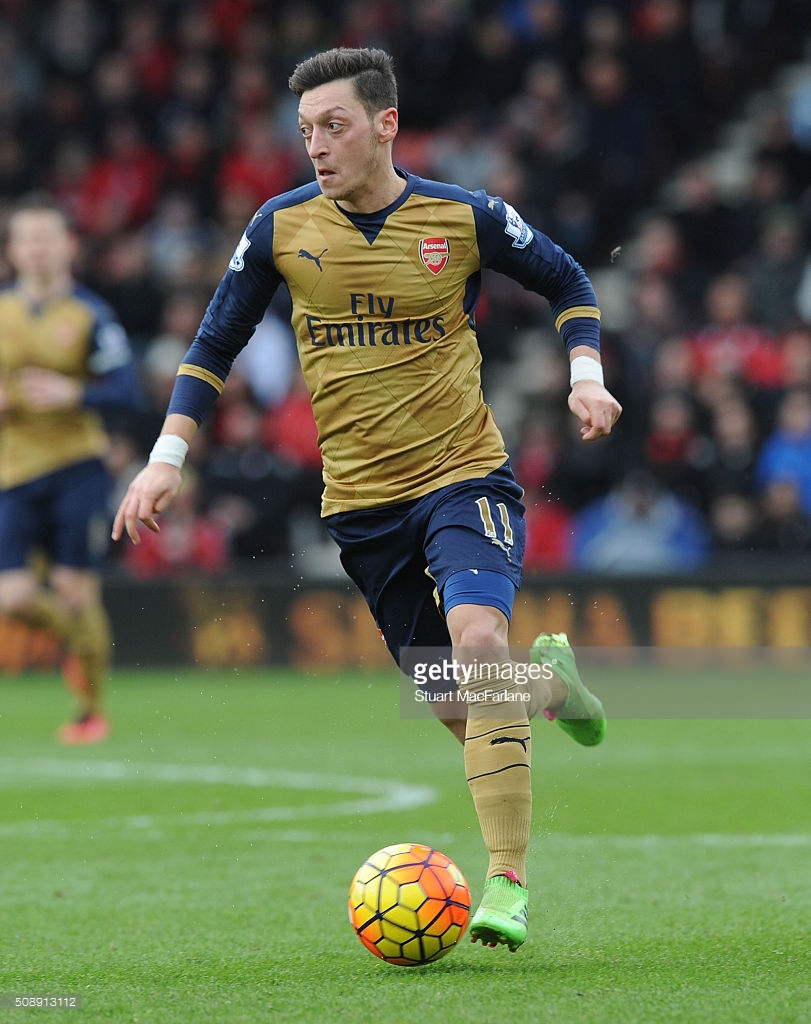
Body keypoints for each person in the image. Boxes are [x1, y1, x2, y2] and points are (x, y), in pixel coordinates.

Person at [112, 48, 622, 952]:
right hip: (361, 506)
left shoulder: (459, 218)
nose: (315, 145)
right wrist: (164, 461)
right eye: (305, 129)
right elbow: (211, 346)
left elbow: (569, 280)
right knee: (460, 699)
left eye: (334, 125)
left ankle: (506, 881)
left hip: (464, 475)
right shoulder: (280, 228)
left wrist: (584, 374)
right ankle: (548, 685)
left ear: (386, 124)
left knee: (474, 645)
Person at [0, 194, 141, 743]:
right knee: (13, 599)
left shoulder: (90, 315)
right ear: (12, 251)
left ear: (68, 247)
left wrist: (74, 392)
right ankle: (76, 638)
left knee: (78, 590)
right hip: (12, 472)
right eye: (26, 239)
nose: (36, 249)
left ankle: (90, 710)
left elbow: (128, 390)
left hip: (76, 465)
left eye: (46, 238)